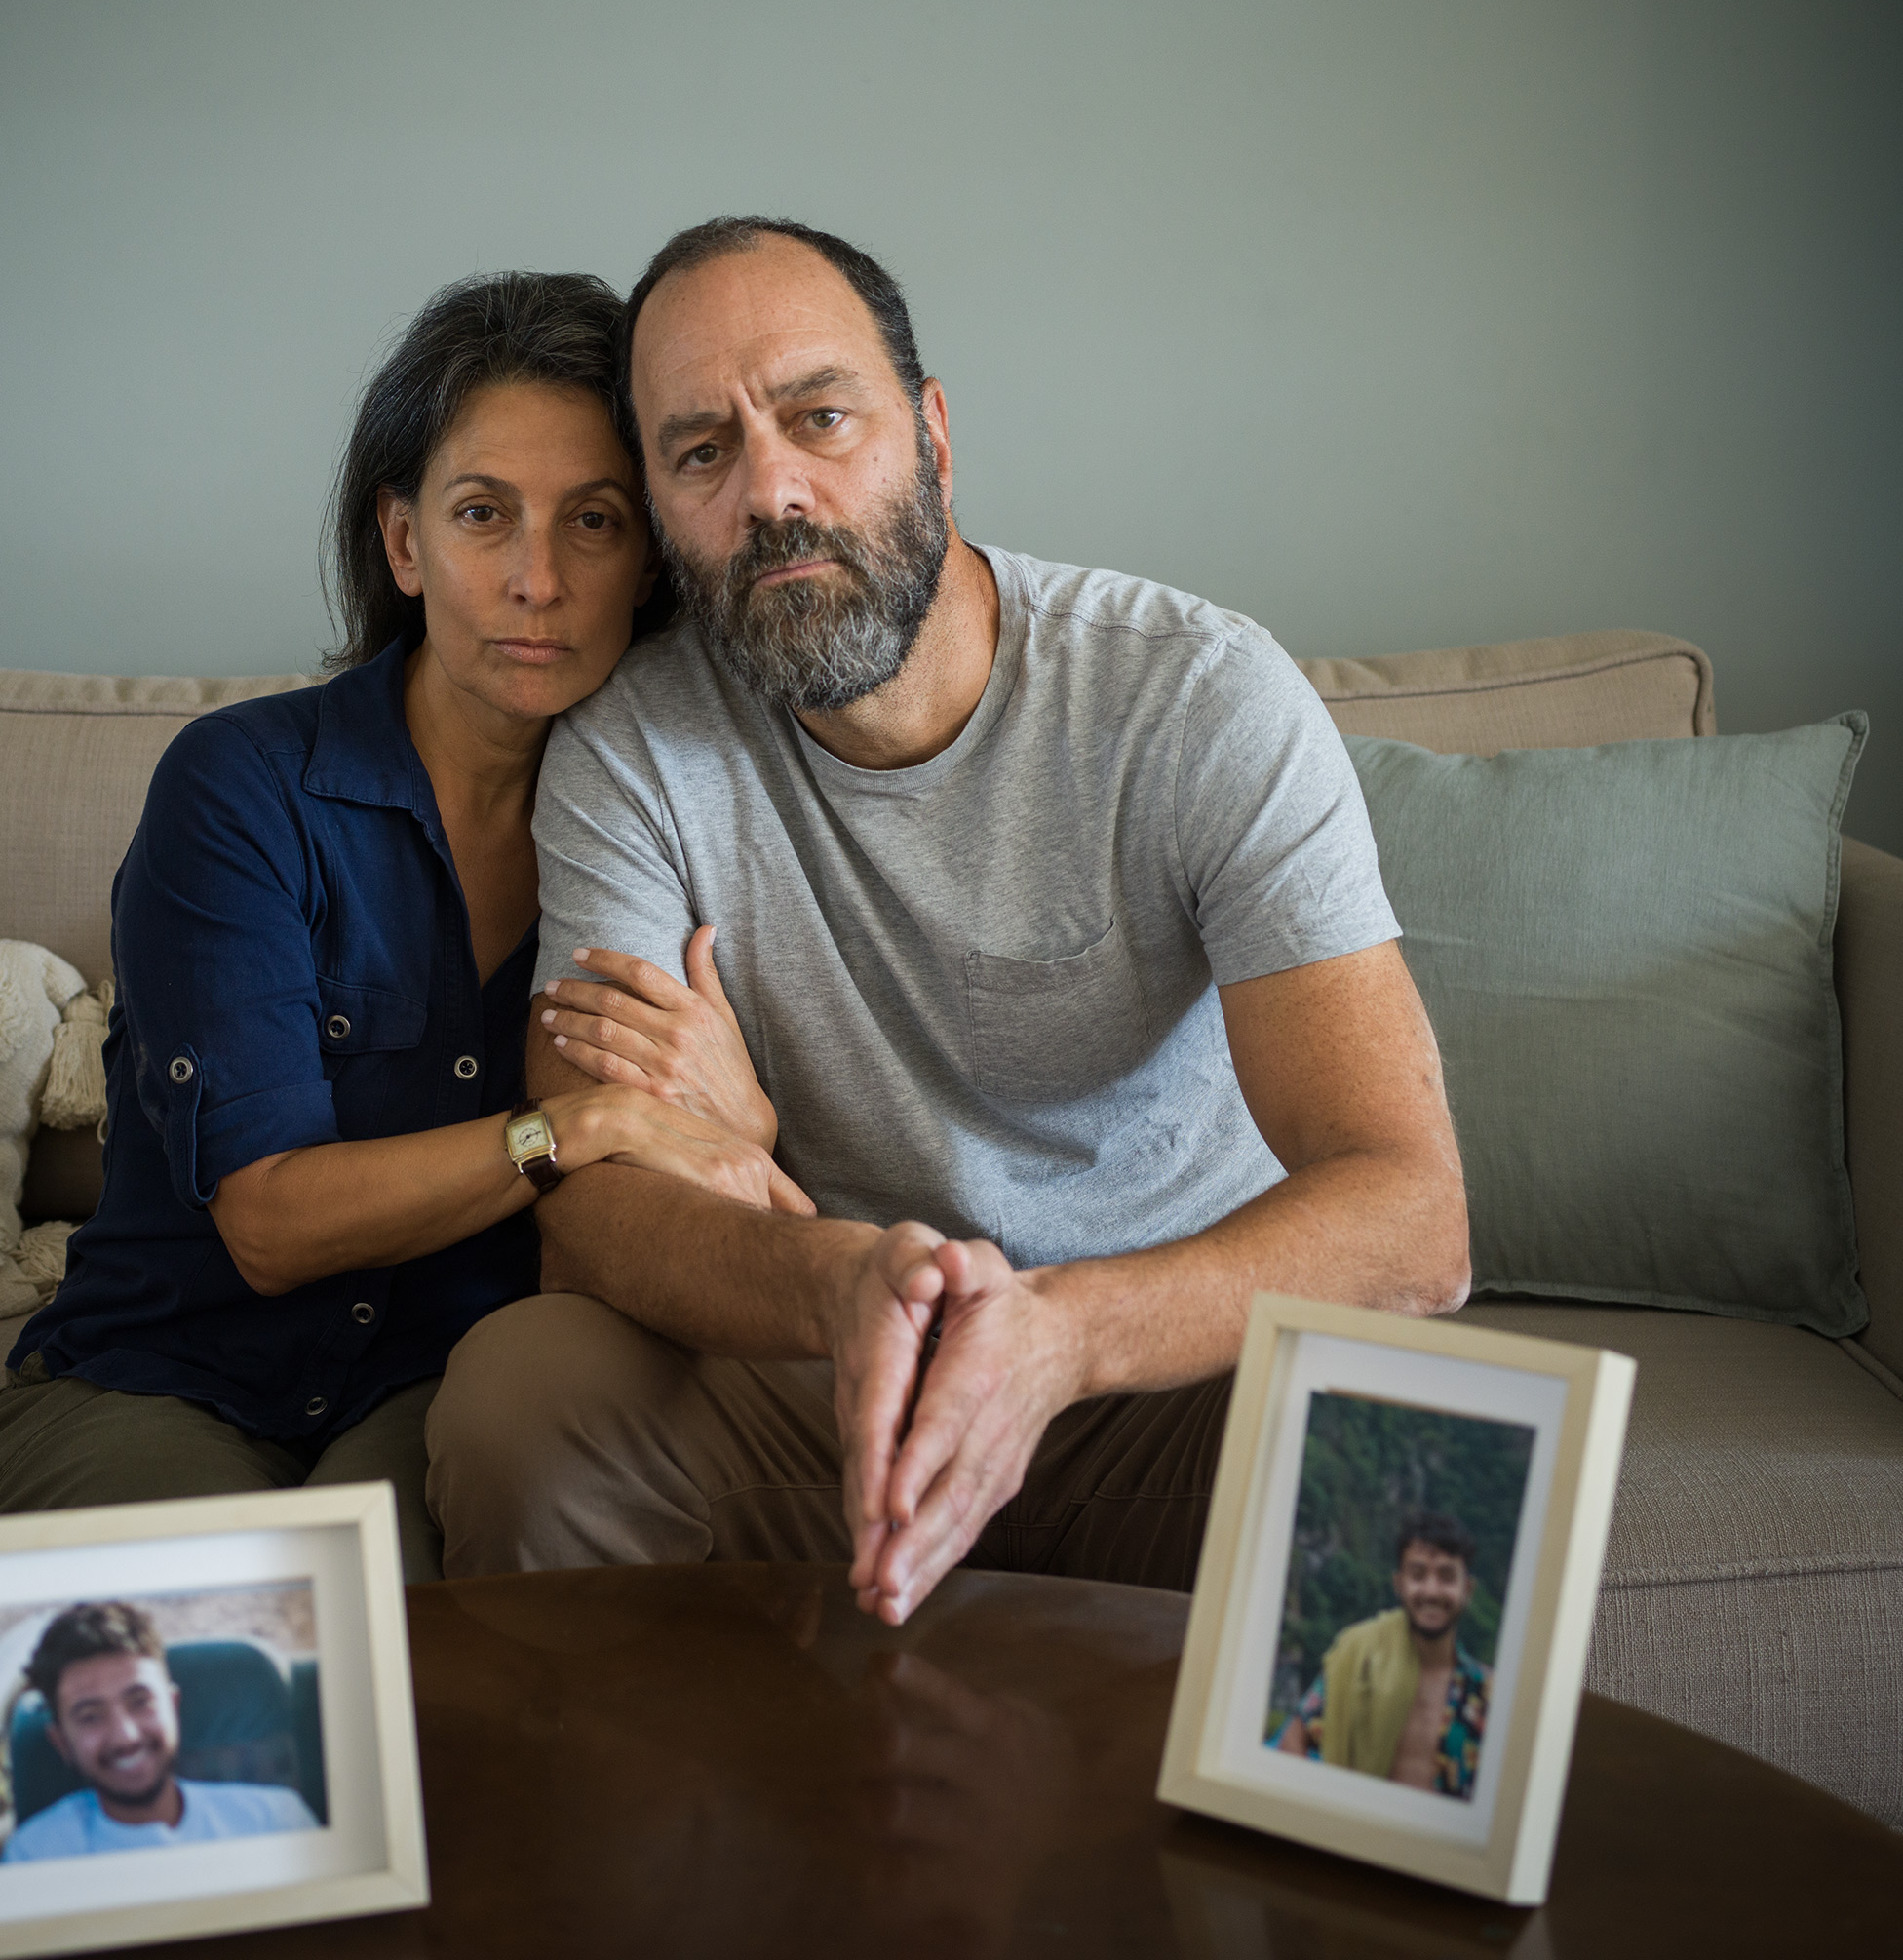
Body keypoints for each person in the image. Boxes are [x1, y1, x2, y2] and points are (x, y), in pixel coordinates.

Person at [425, 216, 1469, 1622]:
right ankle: (667, 1838)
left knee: (1420, 1431)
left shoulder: (1197, 698)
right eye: (701, 451)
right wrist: (836, 1284)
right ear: (667, 518)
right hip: (828, 1371)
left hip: (1164, 1375)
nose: (773, 490)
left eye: (820, 416)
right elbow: (601, 1200)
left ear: (930, 435)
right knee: (522, 1393)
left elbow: (1413, 1215)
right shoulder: (632, 750)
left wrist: (1058, 1335)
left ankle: (1295, 1844)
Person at [0, 272, 786, 1577]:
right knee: (202, 1652)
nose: (537, 579)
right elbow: (272, 1222)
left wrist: (741, 1126)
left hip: (445, 1387)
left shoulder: (684, 821)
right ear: (403, 544)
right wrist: (580, 1125)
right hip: (168, 1375)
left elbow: (729, 1159)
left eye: (595, 520)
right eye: (481, 516)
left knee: (420, 1646)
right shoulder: (241, 787)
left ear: (651, 560)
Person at [0, 1601, 317, 1860]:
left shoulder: (275, 1822)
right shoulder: (34, 1856)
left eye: (140, 1702)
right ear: (61, 1743)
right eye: (91, 1717)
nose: (126, 1736)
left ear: (172, 1706)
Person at [1271, 1509, 1492, 1795]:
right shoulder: (1360, 1661)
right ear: (1399, 1584)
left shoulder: (1484, 1695)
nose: (1431, 1590)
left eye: (1447, 1577)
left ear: (1467, 1589)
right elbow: (1292, 1742)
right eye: (1418, 1574)